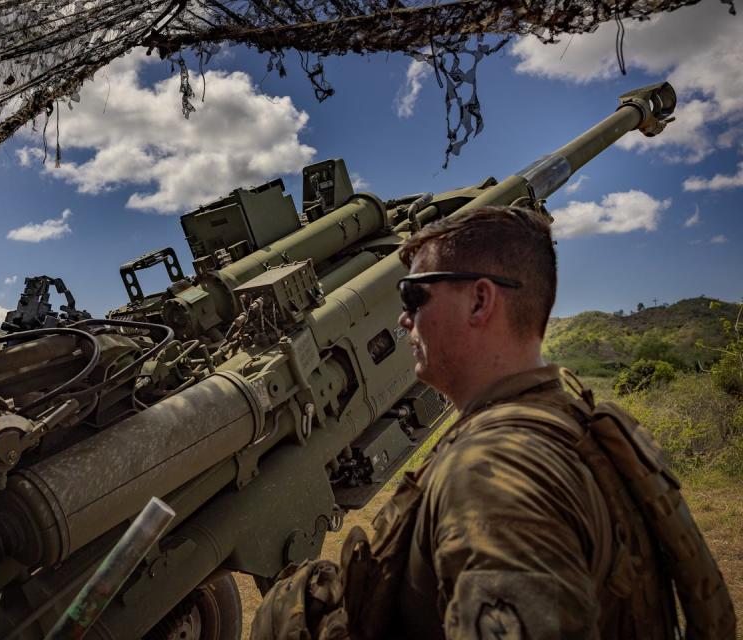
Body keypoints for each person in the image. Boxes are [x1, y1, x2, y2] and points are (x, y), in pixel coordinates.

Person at [251, 206, 734, 639]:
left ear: (481, 301)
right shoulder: (575, 427)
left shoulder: (495, 473)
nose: (403, 320)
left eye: (414, 295)